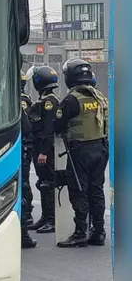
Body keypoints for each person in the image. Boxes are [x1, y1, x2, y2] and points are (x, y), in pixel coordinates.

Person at [55, 59, 109, 247]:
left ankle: (80, 233)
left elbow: (57, 126)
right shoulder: (99, 96)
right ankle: (99, 232)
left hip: (80, 151)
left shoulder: (71, 100)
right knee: (96, 191)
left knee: (79, 191)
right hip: (101, 149)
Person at [28, 65, 60, 234]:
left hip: (45, 149)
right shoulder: (44, 99)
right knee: (43, 183)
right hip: (40, 147)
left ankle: (52, 220)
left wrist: (44, 152)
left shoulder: (50, 102)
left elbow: (49, 129)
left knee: (48, 183)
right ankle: (45, 218)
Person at [19, 70, 37, 249]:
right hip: (19, 149)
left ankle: (23, 232)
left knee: (22, 188)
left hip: (18, 149)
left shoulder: (11, 101)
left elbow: (27, 127)